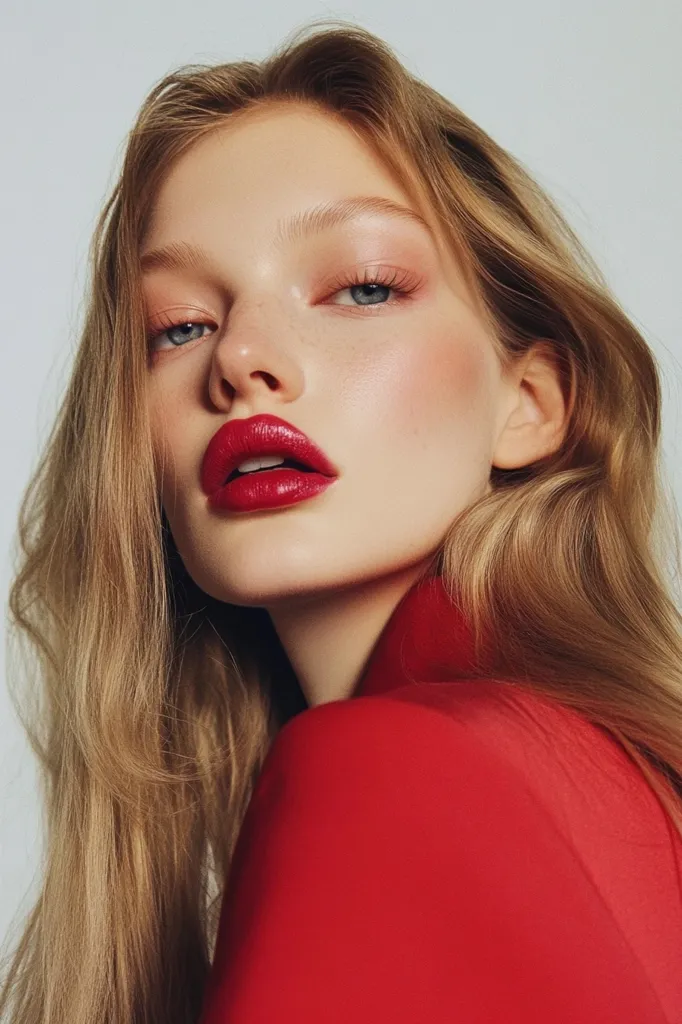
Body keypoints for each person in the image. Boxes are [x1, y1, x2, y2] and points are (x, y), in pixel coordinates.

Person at [1, 18, 681, 1024]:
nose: (239, 358)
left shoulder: (390, 772)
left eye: (362, 286)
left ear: (529, 402)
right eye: (179, 325)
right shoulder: (612, 774)